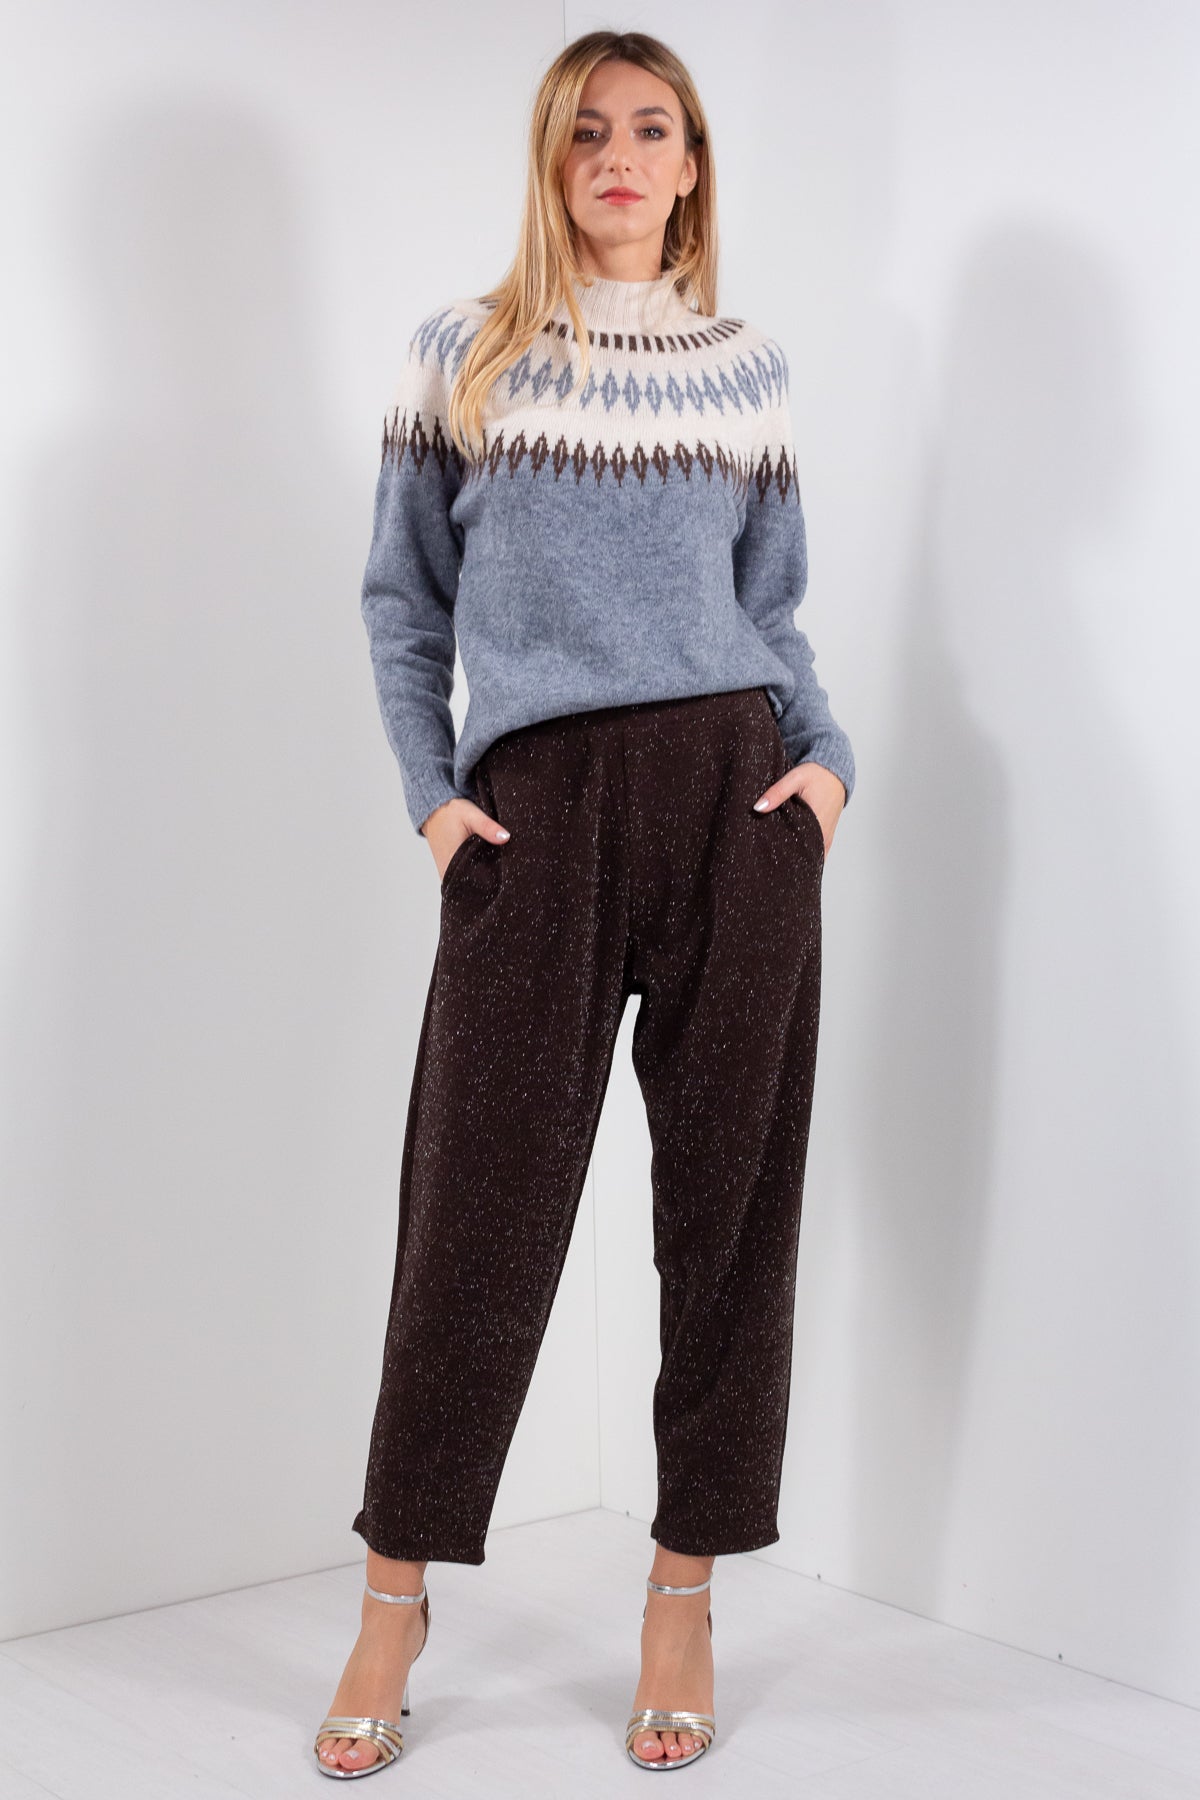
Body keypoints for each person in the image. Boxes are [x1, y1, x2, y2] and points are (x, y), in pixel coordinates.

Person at [313, 26, 855, 1779]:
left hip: (737, 806)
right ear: (551, 162)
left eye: (653, 129)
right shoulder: (462, 356)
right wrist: (436, 802)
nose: (620, 156)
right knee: (472, 1222)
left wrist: (826, 771)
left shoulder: (747, 369)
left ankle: (682, 1593)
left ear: (692, 167)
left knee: (729, 1213)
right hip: (534, 821)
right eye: (587, 131)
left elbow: (773, 606)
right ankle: (392, 1599)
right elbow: (402, 603)